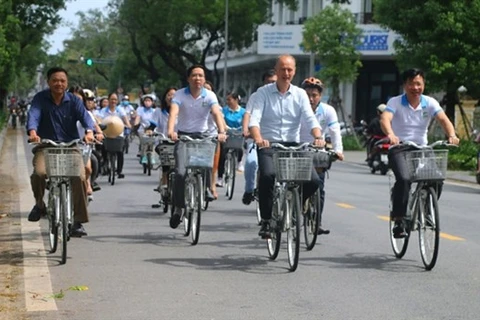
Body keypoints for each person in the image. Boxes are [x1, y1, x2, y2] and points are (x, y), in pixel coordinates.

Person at [248, 55, 323, 238]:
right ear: (276, 70)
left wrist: (318, 136)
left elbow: (309, 118)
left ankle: (296, 203)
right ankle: (266, 220)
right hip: (269, 145)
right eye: (282, 69)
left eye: (289, 69)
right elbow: (254, 120)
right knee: (268, 176)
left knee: (314, 181)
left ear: (294, 71)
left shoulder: (300, 94)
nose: (286, 73)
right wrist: (259, 139)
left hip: (293, 146)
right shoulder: (263, 93)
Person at [380, 68, 459, 238]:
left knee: (436, 178)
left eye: (418, 84)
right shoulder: (395, 102)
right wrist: (391, 134)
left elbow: (443, 119)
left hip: (422, 148)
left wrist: (451, 135)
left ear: (423, 85)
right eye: (411, 84)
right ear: (405, 85)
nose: (415, 87)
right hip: (400, 148)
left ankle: (427, 207)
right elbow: (385, 118)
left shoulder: (429, 102)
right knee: (404, 179)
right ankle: (400, 220)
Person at [26, 67, 96, 237]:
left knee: (79, 177)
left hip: (70, 147)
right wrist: (33, 132)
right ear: (49, 82)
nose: (59, 83)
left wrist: (89, 131)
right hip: (46, 146)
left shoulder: (74, 101)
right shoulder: (40, 98)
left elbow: (85, 117)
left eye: (62, 80)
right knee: (39, 174)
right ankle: (39, 205)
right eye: (55, 80)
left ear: (67, 83)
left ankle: (77, 221)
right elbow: (33, 115)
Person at [167, 65, 227, 229]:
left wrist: (221, 131)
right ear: (188, 79)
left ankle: (206, 187)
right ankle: (178, 208)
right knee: (180, 172)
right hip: (183, 137)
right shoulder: (180, 94)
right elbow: (174, 113)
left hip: (202, 137)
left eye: (201, 75)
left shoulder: (209, 95)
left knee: (206, 164)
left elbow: (216, 113)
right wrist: (171, 130)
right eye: (194, 75)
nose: (198, 78)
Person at [299, 77, 344, 235]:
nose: (311, 98)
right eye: (307, 94)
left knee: (319, 185)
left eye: (314, 95)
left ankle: (316, 222)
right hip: (298, 149)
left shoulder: (328, 110)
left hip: (319, 150)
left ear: (320, 96)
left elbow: (335, 131)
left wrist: (338, 150)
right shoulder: (297, 108)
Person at [241, 69, 277, 205]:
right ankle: (250, 190)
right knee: (251, 163)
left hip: (276, 141)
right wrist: (246, 130)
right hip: (257, 139)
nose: (271, 85)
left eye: (273, 82)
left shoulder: (285, 96)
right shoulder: (257, 96)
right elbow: (248, 114)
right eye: (268, 82)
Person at [98, 92, 132, 178]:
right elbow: (100, 120)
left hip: (118, 133)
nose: (113, 101)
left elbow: (125, 119)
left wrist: (128, 125)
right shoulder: (103, 111)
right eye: (112, 99)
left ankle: (119, 171)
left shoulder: (120, 110)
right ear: (109, 100)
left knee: (120, 151)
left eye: (115, 99)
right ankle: (105, 164)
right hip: (107, 133)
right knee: (104, 148)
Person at [217, 91, 246, 186]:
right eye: (227, 100)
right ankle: (220, 177)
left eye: (230, 99)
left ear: (236, 100)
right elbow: (221, 119)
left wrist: (244, 129)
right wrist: (224, 127)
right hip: (227, 133)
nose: (228, 102)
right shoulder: (224, 110)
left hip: (239, 132)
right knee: (222, 153)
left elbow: (246, 122)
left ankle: (239, 161)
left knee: (240, 146)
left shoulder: (243, 112)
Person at [153, 87, 177, 191]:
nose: (171, 97)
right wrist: (149, 130)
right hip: (164, 142)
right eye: (169, 95)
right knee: (166, 162)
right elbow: (152, 124)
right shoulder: (158, 111)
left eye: (174, 95)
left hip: (179, 142)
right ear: (165, 98)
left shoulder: (182, 111)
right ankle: (164, 184)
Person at [204, 80, 223, 199]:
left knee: (213, 165)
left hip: (212, 136)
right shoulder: (195, 103)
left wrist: (223, 131)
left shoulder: (216, 107)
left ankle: (212, 185)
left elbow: (220, 119)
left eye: (209, 90)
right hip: (197, 136)